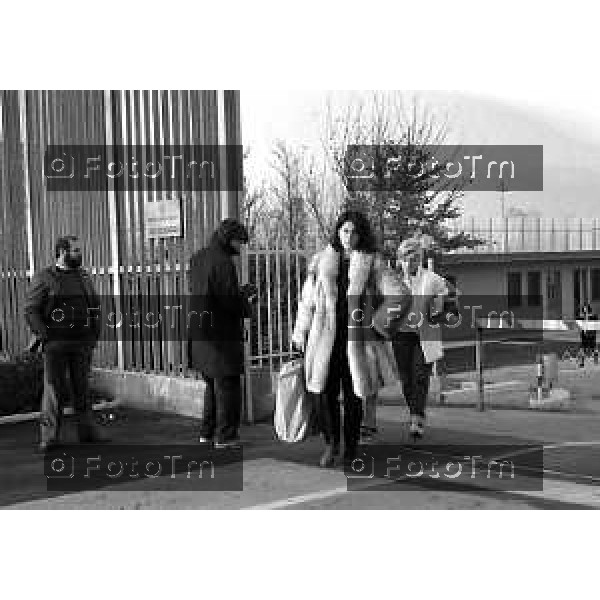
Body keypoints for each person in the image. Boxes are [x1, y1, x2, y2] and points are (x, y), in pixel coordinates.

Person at [292, 209, 396, 467]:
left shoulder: (373, 262)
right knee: (324, 394)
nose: (349, 236)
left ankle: (351, 448)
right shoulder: (320, 261)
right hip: (325, 339)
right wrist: (300, 332)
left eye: (355, 232)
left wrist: (379, 321)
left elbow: (399, 294)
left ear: (362, 235)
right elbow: (307, 301)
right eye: (345, 230)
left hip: (357, 339)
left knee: (353, 395)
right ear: (338, 232)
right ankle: (331, 444)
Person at [25, 235, 103, 452]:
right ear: (62, 252)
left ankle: (87, 433)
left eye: (79, 250)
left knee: (82, 389)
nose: (80, 254)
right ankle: (49, 438)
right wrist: (45, 334)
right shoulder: (45, 277)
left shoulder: (83, 276)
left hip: (82, 343)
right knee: (53, 390)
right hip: (56, 345)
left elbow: (95, 305)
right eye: (75, 250)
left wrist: (94, 334)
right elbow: (30, 310)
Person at [188, 218, 256, 449]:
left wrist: (238, 293)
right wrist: (246, 300)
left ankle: (207, 433)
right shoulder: (224, 262)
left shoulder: (197, 258)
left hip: (199, 333)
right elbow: (228, 302)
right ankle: (226, 437)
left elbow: (209, 292)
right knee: (228, 387)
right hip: (221, 334)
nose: (240, 247)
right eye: (238, 242)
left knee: (212, 386)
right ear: (229, 238)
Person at [390, 234, 456, 439]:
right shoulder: (393, 280)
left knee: (419, 376)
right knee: (407, 380)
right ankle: (415, 413)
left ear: (420, 259)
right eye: (407, 257)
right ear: (400, 259)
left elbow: (451, 296)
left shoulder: (432, 279)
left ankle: (417, 418)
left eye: (415, 257)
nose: (411, 261)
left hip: (424, 336)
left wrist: (443, 307)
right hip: (401, 336)